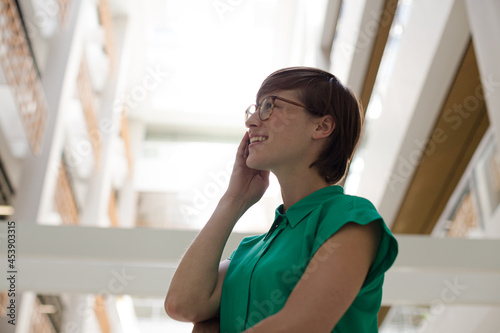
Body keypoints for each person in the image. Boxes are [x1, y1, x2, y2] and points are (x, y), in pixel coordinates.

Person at [165, 67, 398, 332]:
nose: (252, 120)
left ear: (322, 126)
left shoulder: (353, 217)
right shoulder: (249, 251)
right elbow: (180, 304)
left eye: (269, 106)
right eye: (254, 108)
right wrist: (234, 199)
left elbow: (300, 325)